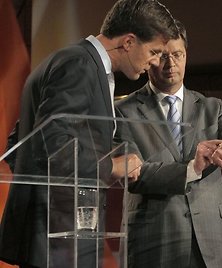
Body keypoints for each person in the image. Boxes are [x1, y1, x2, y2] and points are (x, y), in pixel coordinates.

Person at [0, 1, 179, 267]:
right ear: (129, 42)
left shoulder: (74, 61)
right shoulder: (79, 65)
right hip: (56, 239)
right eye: (153, 51)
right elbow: (55, 146)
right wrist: (112, 166)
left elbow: (22, 142)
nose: (155, 62)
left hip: (56, 235)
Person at [114, 20, 222, 268]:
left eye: (178, 55)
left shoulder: (212, 107)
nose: (171, 64)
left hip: (215, 238)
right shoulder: (123, 112)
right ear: (149, 58)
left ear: (186, 56)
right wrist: (192, 168)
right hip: (156, 238)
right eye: (162, 56)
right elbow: (133, 174)